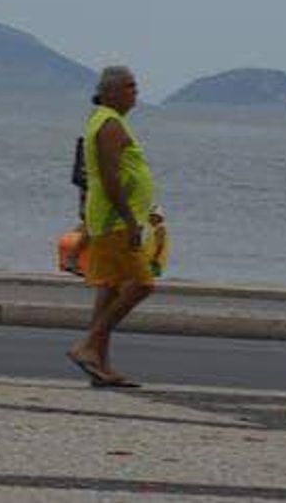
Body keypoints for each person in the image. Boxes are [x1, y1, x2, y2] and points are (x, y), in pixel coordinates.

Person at [69, 64, 163, 388]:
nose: (134, 92)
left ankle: (101, 367)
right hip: (115, 222)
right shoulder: (109, 124)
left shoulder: (110, 121)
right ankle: (88, 345)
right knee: (142, 284)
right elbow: (109, 178)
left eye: (135, 87)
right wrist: (129, 219)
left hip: (110, 219)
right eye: (128, 87)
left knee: (109, 290)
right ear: (108, 92)